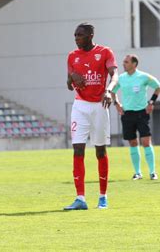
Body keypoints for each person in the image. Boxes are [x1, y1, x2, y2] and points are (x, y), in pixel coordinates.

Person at [65, 23, 119, 210]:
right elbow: (68, 84)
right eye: (75, 35)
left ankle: (103, 196)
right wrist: (72, 78)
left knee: (100, 151)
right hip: (80, 106)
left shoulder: (105, 52)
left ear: (90, 35)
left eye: (80, 35)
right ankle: (80, 198)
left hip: (99, 106)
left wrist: (109, 91)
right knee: (78, 149)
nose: (76, 38)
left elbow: (114, 75)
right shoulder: (72, 56)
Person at [112, 54, 160, 180]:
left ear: (134, 64)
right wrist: (117, 104)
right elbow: (112, 91)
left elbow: (158, 87)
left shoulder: (143, 76)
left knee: (145, 142)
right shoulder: (121, 78)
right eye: (124, 62)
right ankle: (137, 173)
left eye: (126, 62)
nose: (124, 64)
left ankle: (152, 172)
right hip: (127, 114)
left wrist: (151, 102)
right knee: (133, 143)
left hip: (141, 114)